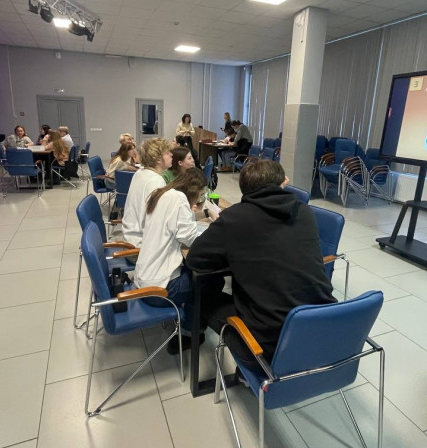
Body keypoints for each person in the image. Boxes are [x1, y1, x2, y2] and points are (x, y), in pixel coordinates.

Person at [186, 160, 337, 369]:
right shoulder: (304, 211)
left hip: (268, 348)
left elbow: (195, 260)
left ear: (243, 188)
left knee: (203, 295)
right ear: (282, 183)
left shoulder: (234, 218)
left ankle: (237, 367)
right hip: (321, 328)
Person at [136, 168, 218, 353]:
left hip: (144, 280)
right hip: (158, 290)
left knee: (193, 272)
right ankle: (190, 334)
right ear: (194, 190)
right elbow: (190, 239)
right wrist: (214, 234)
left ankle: (189, 321)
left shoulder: (163, 194)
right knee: (207, 281)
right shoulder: (179, 199)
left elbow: (175, 224)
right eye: (200, 194)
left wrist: (201, 215)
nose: (199, 199)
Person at [122, 138, 172, 248]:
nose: (171, 155)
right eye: (168, 153)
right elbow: (156, 222)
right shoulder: (156, 181)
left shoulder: (140, 172)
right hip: (141, 246)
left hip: (130, 238)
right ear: (158, 159)